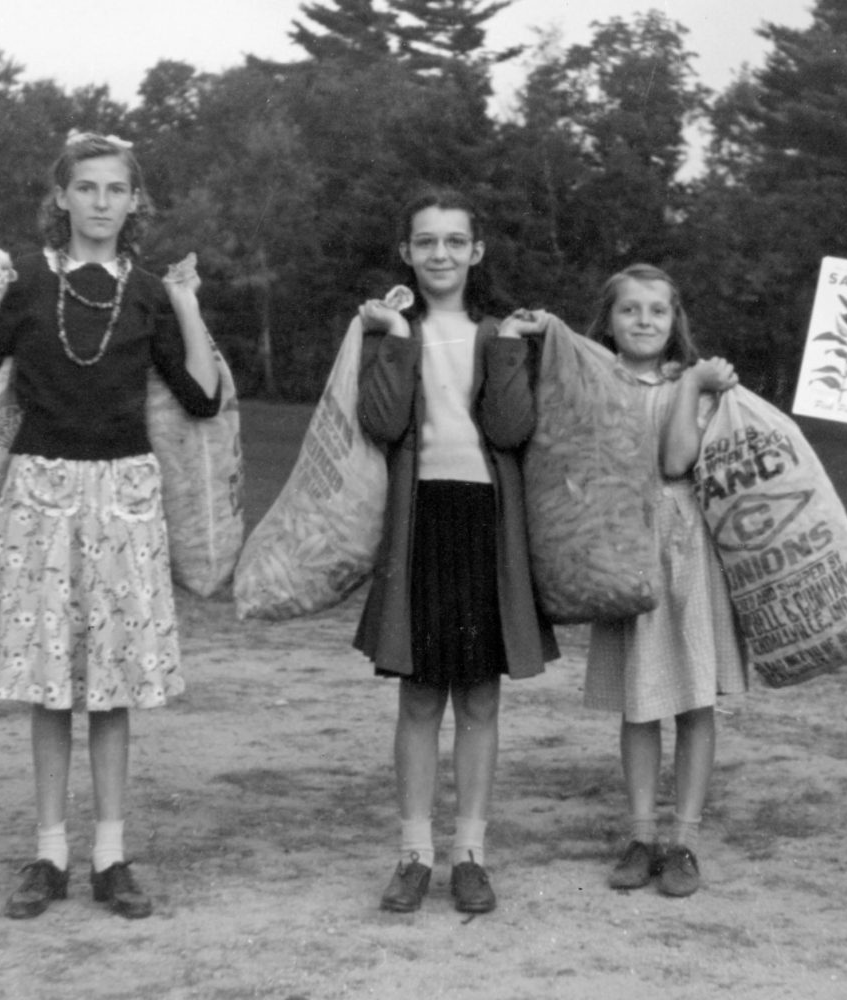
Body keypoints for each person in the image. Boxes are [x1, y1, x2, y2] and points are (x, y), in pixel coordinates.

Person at [0, 132, 222, 920]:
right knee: (49, 684)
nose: (101, 202)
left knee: (114, 685)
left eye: (115, 189)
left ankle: (110, 856)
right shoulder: (26, 283)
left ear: (135, 202)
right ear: (61, 197)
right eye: (87, 188)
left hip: (124, 497)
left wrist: (189, 305)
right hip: (42, 494)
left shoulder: (147, 296)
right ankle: (50, 852)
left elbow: (200, 398)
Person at [354, 188, 558, 915]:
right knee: (417, 696)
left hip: (484, 522)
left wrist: (508, 350)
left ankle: (471, 851)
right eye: (425, 241)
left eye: (454, 241)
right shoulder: (386, 331)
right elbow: (379, 422)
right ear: (405, 252)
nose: (440, 254)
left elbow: (510, 430)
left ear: (476, 252)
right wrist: (399, 340)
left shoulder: (501, 334)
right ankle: (414, 852)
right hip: (418, 521)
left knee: (478, 696)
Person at [580, 264, 748, 898]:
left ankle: (686, 839)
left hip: (686, 544)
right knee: (640, 697)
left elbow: (678, 460)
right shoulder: (596, 382)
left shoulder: (695, 385)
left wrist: (693, 385)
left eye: (657, 310)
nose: (644, 321)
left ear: (675, 320)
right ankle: (642, 833)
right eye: (630, 310)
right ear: (610, 320)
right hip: (628, 545)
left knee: (695, 696)